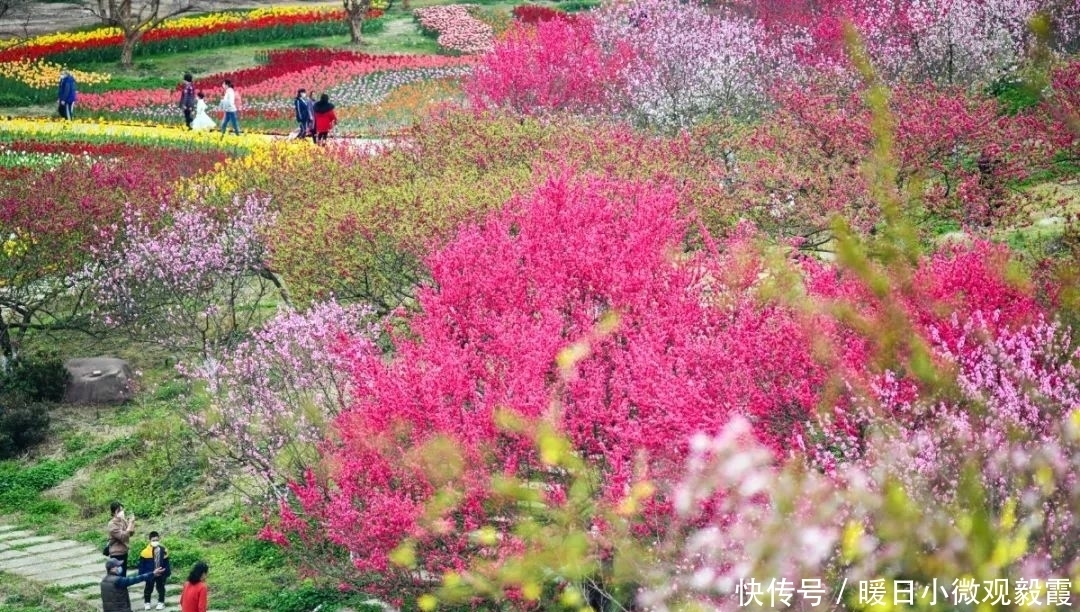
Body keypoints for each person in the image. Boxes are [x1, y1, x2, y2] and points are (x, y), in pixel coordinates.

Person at [137, 531, 171, 610]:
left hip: (160, 573)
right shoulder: (145, 552)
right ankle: (147, 603)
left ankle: (161, 602)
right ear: (149, 540)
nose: (155, 542)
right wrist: (141, 575)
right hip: (150, 574)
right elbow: (142, 565)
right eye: (153, 540)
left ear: (159, 539)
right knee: (148, 588)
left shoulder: (164, 550)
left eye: (156, 540)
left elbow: (166, 563)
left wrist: (166, 572)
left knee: (161, 588)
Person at [106, 501, 136, 576]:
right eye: (121, 510)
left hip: (124, 551)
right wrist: (129, 525)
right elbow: (123, 536)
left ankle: (123, 587)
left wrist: (131, 523)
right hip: (116, 553)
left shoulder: (123, 521)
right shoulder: (112, 524)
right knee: (118, 574)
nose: (123, 512)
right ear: (116, 512)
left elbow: (131, 533)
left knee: (123, 574)